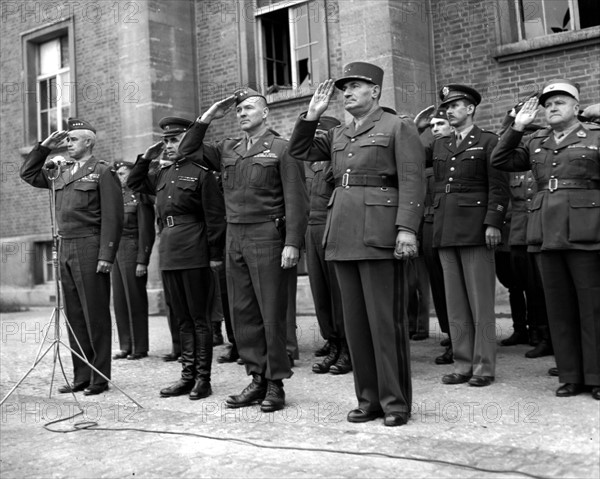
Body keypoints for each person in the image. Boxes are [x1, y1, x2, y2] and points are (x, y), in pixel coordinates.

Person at [287, 62, 425, 427]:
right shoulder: (339, 133)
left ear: (375, 91)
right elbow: (299, 150)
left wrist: (406, 229)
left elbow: (412, 182)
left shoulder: (397, 127)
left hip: (380, 235)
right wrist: (311, 116)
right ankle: (368, 400)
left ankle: (395, 402)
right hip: (343, 234)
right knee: (356, 325)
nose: (346, 93)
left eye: (355, 86)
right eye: (343, 88)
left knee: (385, 323)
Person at [178, 88, 308, 412]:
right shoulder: (227, 149)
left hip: (267, 234)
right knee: (242, 313)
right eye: (239, 110)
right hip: (234, 236)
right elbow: (187, 149)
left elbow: (296, 199)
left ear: (265, 113)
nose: (242, 113)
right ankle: (257, 377)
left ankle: (275, 383)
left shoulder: (281, 148)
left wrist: (292, 242)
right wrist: (208, 117)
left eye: (249, 107)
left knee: (270, 313)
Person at [491, 79, 600, 400]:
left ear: (576, 107)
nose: (552, 108)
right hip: (545, 233)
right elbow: (499, 160)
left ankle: (595, 376)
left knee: (591, 306)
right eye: (548, 104)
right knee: (559, 306)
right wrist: (516, 127)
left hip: (587, 231)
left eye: (560, 103)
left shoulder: (594, 136)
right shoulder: (535, 141)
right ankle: (570, 375)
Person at [20, 118, 124, 396]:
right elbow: (28, 174)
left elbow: (113, 216)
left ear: (88, 141)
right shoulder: (60, 172)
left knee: (95, 314)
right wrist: (43, 148)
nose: (68, 144)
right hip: (64, 247)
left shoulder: (101, 172)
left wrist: (107, 254)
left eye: (73, 139)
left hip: (90, 247)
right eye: (66, 140)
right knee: (75, 315)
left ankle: (99, 377)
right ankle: (82, 375)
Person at [128, 116, 226, 400]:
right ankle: (187, 375)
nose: (169, 145)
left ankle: (203, 379)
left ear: (189, 140)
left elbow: (215, 218)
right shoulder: (162, 173)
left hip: (195, 250)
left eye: (175, 139)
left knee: (199, 319)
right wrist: (145, 158)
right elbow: (135, 182)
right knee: (180, 318)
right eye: (166, 140)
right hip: (169, 251)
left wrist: (215, 255)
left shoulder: (202, 172)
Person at [431, 84, 509, 388]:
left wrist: (493, 222)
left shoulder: (489, 141)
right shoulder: (440, 144)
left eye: (455, 105)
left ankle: (484, 366)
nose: (449, 111)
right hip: (446, 227)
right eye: (447, 107)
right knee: (456, 304)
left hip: (477, 228)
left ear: (471, 108)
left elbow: (498, 186)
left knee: (481, 304)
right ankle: (462, 364)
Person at [301, 115, 352, 376]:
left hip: (333, 228)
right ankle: (332, 342)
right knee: (320, 292)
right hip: (312, 230)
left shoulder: (338, 162)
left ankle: (347, 348)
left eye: (321, 136)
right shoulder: (314, 165)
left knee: (338, 293)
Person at [112, 161, 155, 360]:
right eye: (118, 174)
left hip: (132, 249)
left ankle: (140, 346)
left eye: (124, 173)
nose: (121, 177)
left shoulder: (140, 197)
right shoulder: (115, 198)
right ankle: (126, 344)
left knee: (135, 299)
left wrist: (142, 260)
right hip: (116, 253)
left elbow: (146, 231)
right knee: (120, 300)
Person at [420, 107, 453, 364]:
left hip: (452, 225)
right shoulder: (427, 160)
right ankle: (451, 334)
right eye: (432, 126)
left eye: (441, 124)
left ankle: (462, 336)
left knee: (454, 285)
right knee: (439, 286)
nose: (436, 129)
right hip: (429, 226)